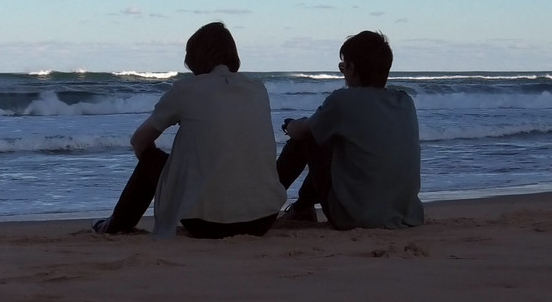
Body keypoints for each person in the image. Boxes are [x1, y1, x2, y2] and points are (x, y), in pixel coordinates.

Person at [94, 22, 287, 239]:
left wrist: (169, 175)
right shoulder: (258, 89)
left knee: (149, 155)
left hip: (208, 223)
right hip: (264, 219)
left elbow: (139, 140)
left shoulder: (186, 90)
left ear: (194, 57)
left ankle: (115, 225)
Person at [277, 30, 424, 229]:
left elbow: (302, 131)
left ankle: (265, 204)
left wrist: (288, 124)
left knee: (308, 138)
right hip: (408, 214)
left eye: (343, 67)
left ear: (352, 68)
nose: (343, 73)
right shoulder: (405, 101)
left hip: (356, 216)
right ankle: (301, 206)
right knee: (332, 138)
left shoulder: (344, 100)